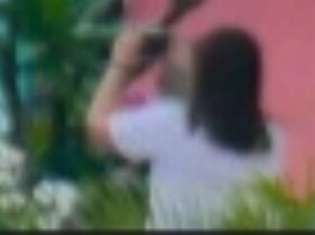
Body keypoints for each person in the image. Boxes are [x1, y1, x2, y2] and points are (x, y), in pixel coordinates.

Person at [86, 22, 286, 229]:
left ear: (206, 74)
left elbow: (97, 130)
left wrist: (121, 66)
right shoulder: (273, 136)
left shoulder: (175, 124)